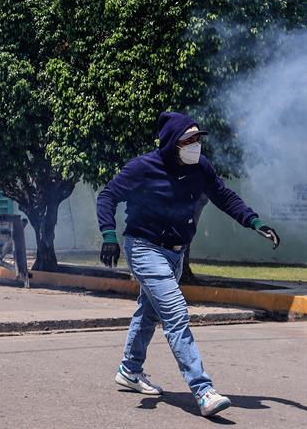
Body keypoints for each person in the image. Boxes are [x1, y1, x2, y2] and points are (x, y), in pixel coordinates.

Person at [97, 111, 280, 417]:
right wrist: (108, 234)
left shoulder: (200, 167)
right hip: (144, 247)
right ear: (172, 143)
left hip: (176, 252)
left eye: (198, 138)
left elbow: (223, 195)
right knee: (176, 312)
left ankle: (129, 370)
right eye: (189, 140)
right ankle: (203, 389)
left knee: (150, 311)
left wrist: (254, 221)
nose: (196, 145)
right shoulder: (143, 167)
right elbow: (108, 196)